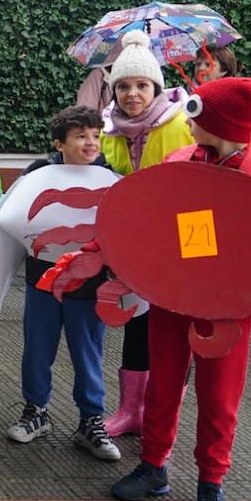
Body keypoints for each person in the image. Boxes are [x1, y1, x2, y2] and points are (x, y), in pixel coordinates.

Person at [111, 76, 251, 501]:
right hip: (174, 296)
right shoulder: (181, 162)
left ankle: (211, 482)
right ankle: (154, 465)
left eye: (198, 116)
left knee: (219, 396)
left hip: (228, 310)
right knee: (163, 383)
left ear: (219, 123)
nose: (189, 123)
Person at [3, 106, 120, 461]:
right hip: (43, 279)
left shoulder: (109, 178)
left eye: (96, 136)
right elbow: (15, 215)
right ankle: (36, 410)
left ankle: (91, 420)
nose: (90, 143)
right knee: (38, 348)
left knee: (88, 353)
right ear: (60, 143)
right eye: (81, 136)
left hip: (88, 284)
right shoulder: (38, 174)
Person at [98, 30, 193, 437]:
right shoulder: (109, 130)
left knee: (178, 325)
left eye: (140, 85)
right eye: (123, 86)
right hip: (136, 240)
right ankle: (131, 410)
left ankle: (163, 413)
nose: (132, 93)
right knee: (138, 321)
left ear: (155, 86)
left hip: (186, 237)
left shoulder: (185, 120)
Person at [192, 43, 251, 166]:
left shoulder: (239, 100)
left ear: (224, 70)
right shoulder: (189, 97)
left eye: (208, 64)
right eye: (198, 64)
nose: (200, 68)